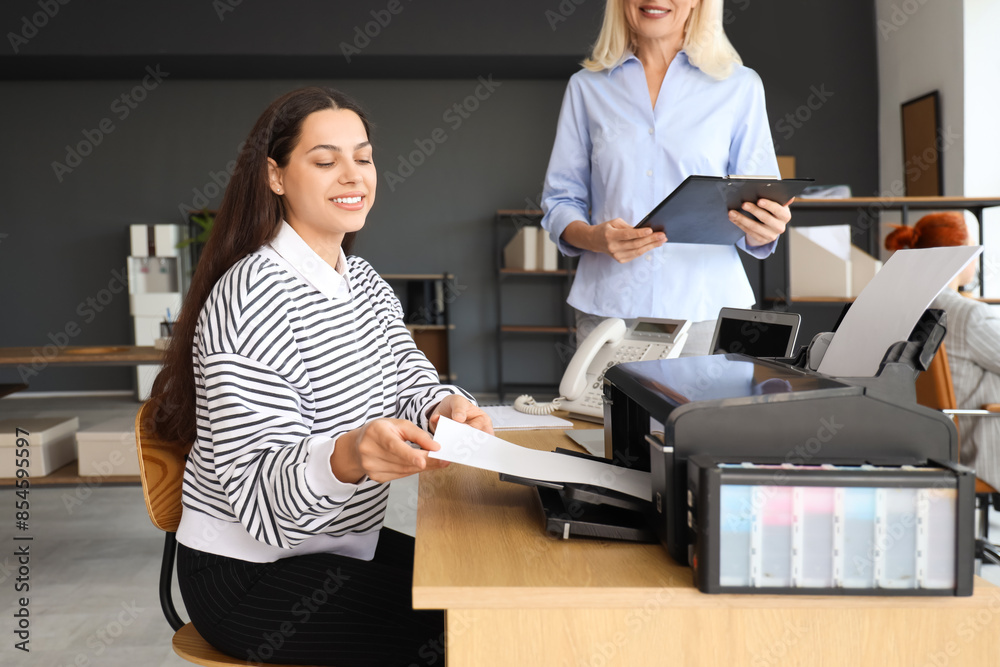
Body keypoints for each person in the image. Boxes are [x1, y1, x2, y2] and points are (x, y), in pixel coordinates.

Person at [146, 86, 492, 666]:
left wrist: (443, 408)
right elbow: (263, 505)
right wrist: (349, 455)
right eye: (326, 161)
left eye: (363, 157)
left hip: (341, 548)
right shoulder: (250, 295)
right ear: (276, 176)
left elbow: (410, 382)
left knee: (495, 594)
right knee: (474, 640)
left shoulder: (363, 282)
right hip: (247, 573)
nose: (352, 175)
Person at [541, 0, 793, 354]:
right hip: (609, 312)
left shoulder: (739, 86)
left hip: (707, 313)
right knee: (606, 413)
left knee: (704, 412)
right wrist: (595, 237)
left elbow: (757, 197)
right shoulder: (586, 88)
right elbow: (560, 201)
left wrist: (764, 224)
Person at [885, 212, 1000, 489]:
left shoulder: (900, 309)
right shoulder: (970, 316)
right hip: (977, 453)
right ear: (961, 255)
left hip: (922, 442)